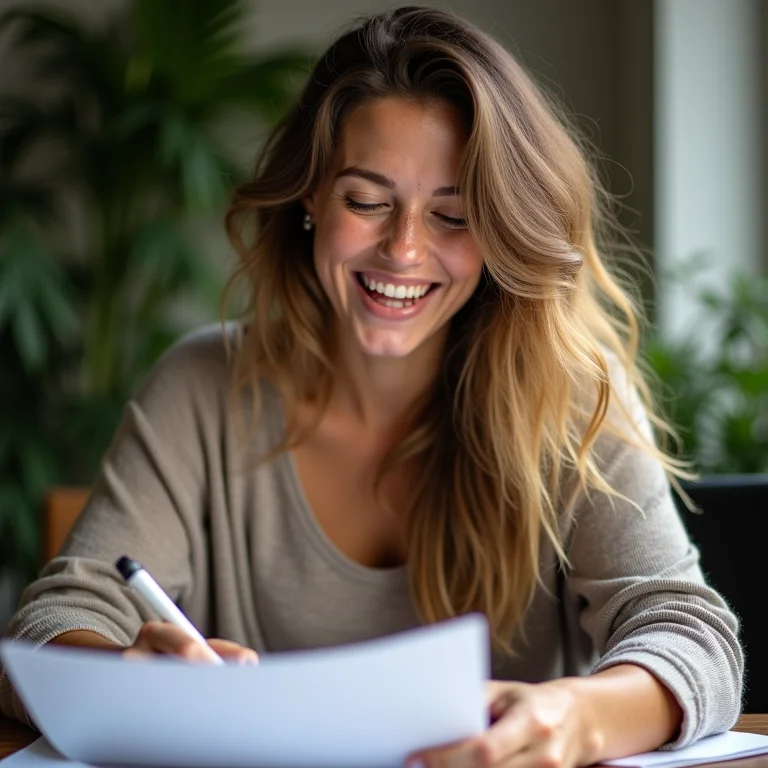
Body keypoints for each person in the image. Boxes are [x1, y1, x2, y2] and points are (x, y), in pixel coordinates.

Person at [0, 6, 742, 767]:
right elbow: (53, 622)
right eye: (365, 201)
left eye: (453, 214)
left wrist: (576, 716)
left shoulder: (571, 395)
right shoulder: (202, 387)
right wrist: (122, 676)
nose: (405, 249)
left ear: (500, 232)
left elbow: (693, 637)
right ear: (311, 199)